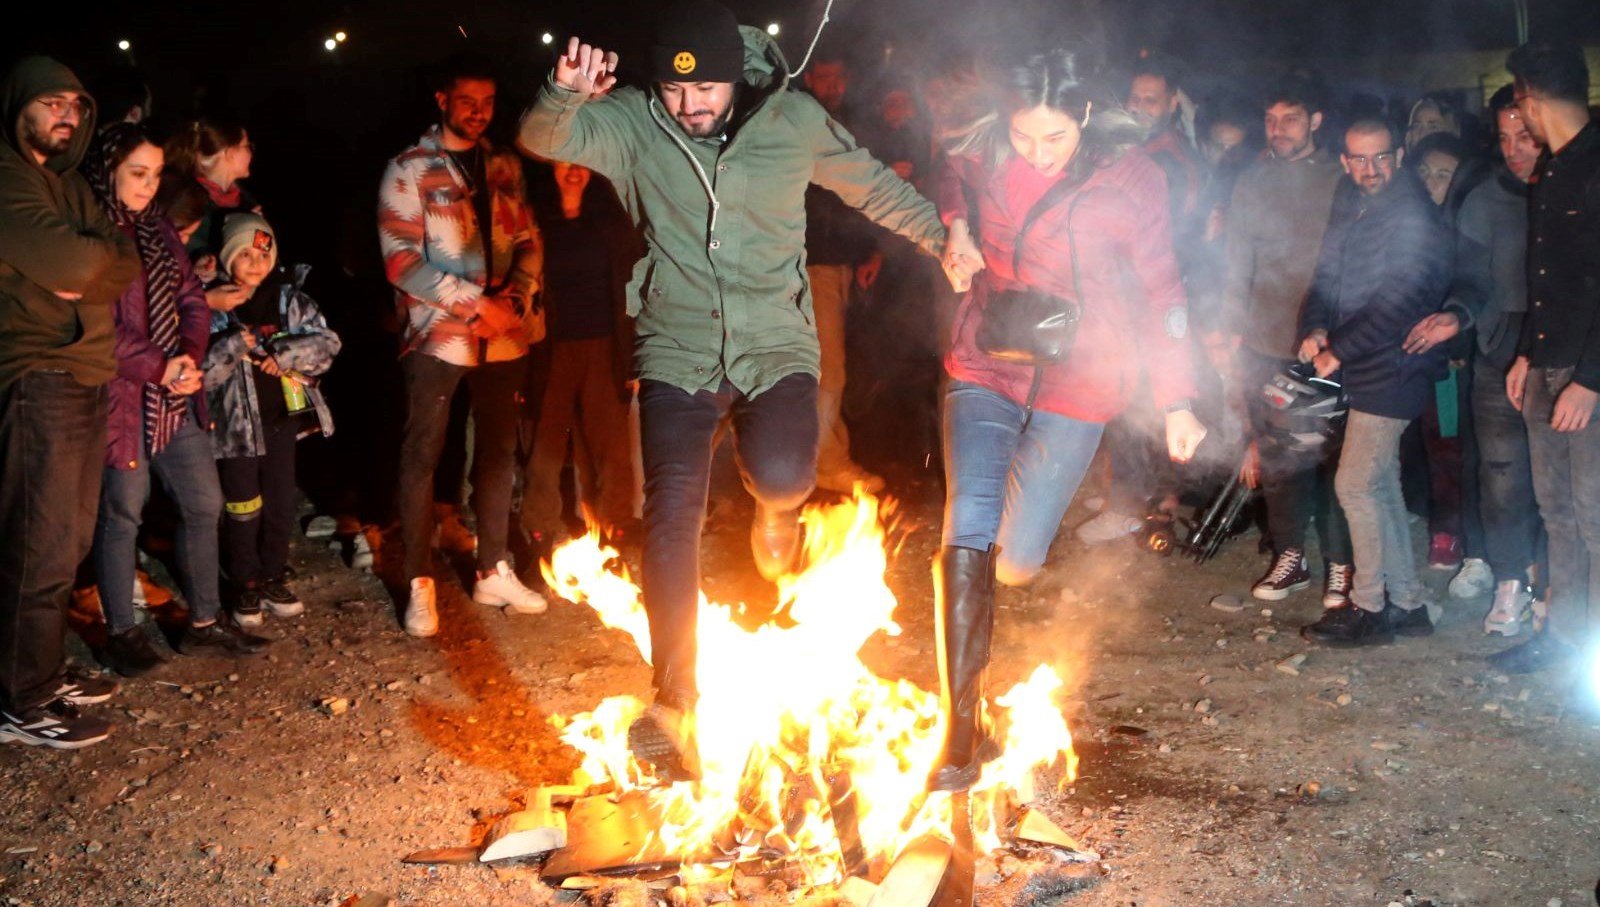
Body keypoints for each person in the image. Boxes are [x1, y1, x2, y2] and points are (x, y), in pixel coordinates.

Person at [518, 0, 964, 774]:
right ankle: (675, 699)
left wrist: (939, 235)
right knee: (671, 510)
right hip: (675, 348)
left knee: (786, 475)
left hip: (774, 348)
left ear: (738, 78)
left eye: (706, 91)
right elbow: (542, 136)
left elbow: (868, 184)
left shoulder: (790, 120)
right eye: (674, 91)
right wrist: (563, 93)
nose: (689, 106)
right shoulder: (631, 122)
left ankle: (773, 511)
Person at [931, 46, 1205, 789]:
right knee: (969, 524)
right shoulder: (987, 143)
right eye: (1025, 137)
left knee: (1014, 561)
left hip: (1081, 379)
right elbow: (949, 169)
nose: (1038, 153)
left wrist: (1178, 400)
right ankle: (960, 728)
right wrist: (956, 227)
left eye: (1054, 138)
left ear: (1084, 116)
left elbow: (1162, 288)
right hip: (987, 358)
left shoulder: (1133, 178)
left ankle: (1003, 565)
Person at [379, 52, 548, 638]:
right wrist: (476, 304)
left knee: (499, 452)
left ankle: (491, 566)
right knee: (422, 453)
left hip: (503, 337)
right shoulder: (409, 169)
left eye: (488, 103)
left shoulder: (502, 164)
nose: (478, 113)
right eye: (467, 101)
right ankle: (420, 580)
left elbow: (528, 238)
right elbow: (401, 261)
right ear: (443, 101)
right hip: (438, 336)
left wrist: (517, 301)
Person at [0, 57, 140, 749]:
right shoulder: (7, 179)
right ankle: (20, 699)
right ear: (19, 104)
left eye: (76, 106)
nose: (66, 114)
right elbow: (87, 265)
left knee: (68, 541)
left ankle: (43, 672)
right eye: (51, 101)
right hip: (38, 374)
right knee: (39, 544)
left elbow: (121, 258)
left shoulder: (65, 185)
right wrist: (86, 266)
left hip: (85, 372)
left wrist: (86, 267)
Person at [85, 124, 260, 673]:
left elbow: (192, 300)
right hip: (122, 394)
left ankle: (204, 621)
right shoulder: (91, 231)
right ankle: (120, 632)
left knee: (203, 501)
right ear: (108, 169)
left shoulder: (158, 230)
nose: (147, 185)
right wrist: (159, 365)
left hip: (171, 390)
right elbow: (99, 323)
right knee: (122, 510)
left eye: (156, 174)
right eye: (137, 173)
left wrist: (186, 358)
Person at [1296, 119, 1454, 646]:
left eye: (1382, 157)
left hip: (1396, 365)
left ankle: (1368, 607)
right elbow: (1328, 273)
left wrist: (1338, 350)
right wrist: (1316, 326)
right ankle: (1407, 603)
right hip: (1367, 364)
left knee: (1355, 484)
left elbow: (1400, 303)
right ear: (1344, 160)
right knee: (1380, 485)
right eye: (1360, 159)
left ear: (1400, 154)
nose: (1372, 169)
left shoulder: (1414, 215)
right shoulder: (1352, 199)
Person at [1220, 73, 1353, 607]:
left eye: (1291, 118)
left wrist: (1339, 334)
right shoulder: (1251, 179)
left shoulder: (1339, 177)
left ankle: (1343, 565)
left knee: (1337, 459)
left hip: (1330, 342)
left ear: (1315, 121)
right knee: (1280, 455)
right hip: (1267, 335)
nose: (1278, 129)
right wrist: (1231, 326)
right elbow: (1235, 260)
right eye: (1271, 120)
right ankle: (1291, 555)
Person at [1415, 85, 1544, 635]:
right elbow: (1471, 276)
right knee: (1500, 474)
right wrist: (1457, 315)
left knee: (1563, 484)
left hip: (1563, 354)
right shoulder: (1486, 195)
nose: (1515, 149)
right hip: (1497, 349)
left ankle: (1558, 588)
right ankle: (1511, 580)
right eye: (1505, 137)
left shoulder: (1576, 190)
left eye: (1527, 136)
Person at [1077, 51, 1209, 544]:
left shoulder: (1166, 160)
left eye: (1151, 100)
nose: (1140, 107)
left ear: (1172, 102)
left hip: (1149, 300)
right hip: (1126, 297)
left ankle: (1130, 504)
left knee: (1136, 400)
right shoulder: (1134, 151)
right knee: (1126, 399)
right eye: (1135, 98)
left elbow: (1163, 244)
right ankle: (1127, 492)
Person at [1499, 40, 1600, 677]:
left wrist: (1591, 380)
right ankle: (1565, 639)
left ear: (1531, 99)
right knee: (1556, 513)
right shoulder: (1554, 168)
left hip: (1586, 377)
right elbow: (1552, 277)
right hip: (1547, 366)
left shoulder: (1595, 164)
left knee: (1594, 515)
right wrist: (1527, 354)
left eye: (1519, 103)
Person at [202, 213, 339, 630]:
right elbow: (201, 373)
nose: (256, 262)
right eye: (244, 254)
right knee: (243, 507)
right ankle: (244, 578)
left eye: (263, 252)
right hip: (236, 431)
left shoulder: (288, 300)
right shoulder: (211, 307)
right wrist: (230, 346)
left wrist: (285, 354)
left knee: (281, 503)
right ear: (227, 259)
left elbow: (327, 342)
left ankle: (274, 573)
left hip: (281, 421)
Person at [522, 160, 639, 545]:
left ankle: (615, 522)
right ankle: (538, 526)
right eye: (564, 165)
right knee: (546, 441)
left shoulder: (608, 219)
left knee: (609, 441)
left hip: (603, 342)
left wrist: (634, 351)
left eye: (582, 166)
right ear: (551, 169)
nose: (574, 172)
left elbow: (631, 282)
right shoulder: (537, 219)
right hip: (551, 347)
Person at [801, 53, 886, 495]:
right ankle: (818, 464)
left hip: (841, 261)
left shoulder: (850, 125)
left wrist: (870, 250)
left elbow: (863, 193)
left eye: (839, 77)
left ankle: (820, 460)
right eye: (824, 77)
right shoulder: (798, 123)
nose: (832, 85)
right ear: (811, 78)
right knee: (828, 372)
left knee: (831, 369)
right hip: (810, 261)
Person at [164, 118, 257, 267]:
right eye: (247, 146)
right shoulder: (187, 207)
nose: (251, 153)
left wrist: (255, 228)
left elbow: (262, 257)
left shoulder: (243, 201)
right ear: (230, 152)